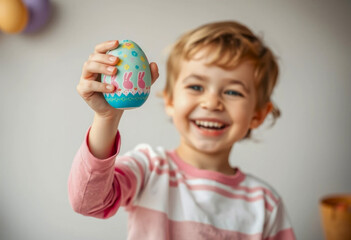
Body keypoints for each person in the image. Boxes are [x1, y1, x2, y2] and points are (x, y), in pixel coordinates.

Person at [68, 21, 296, 239]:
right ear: (169, 100)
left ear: (257, 114)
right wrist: (106, 117)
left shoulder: (265, 204)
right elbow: (87, 202)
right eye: (196, 87)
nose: (211, 103)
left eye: (233, 92)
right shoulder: (149, 169)